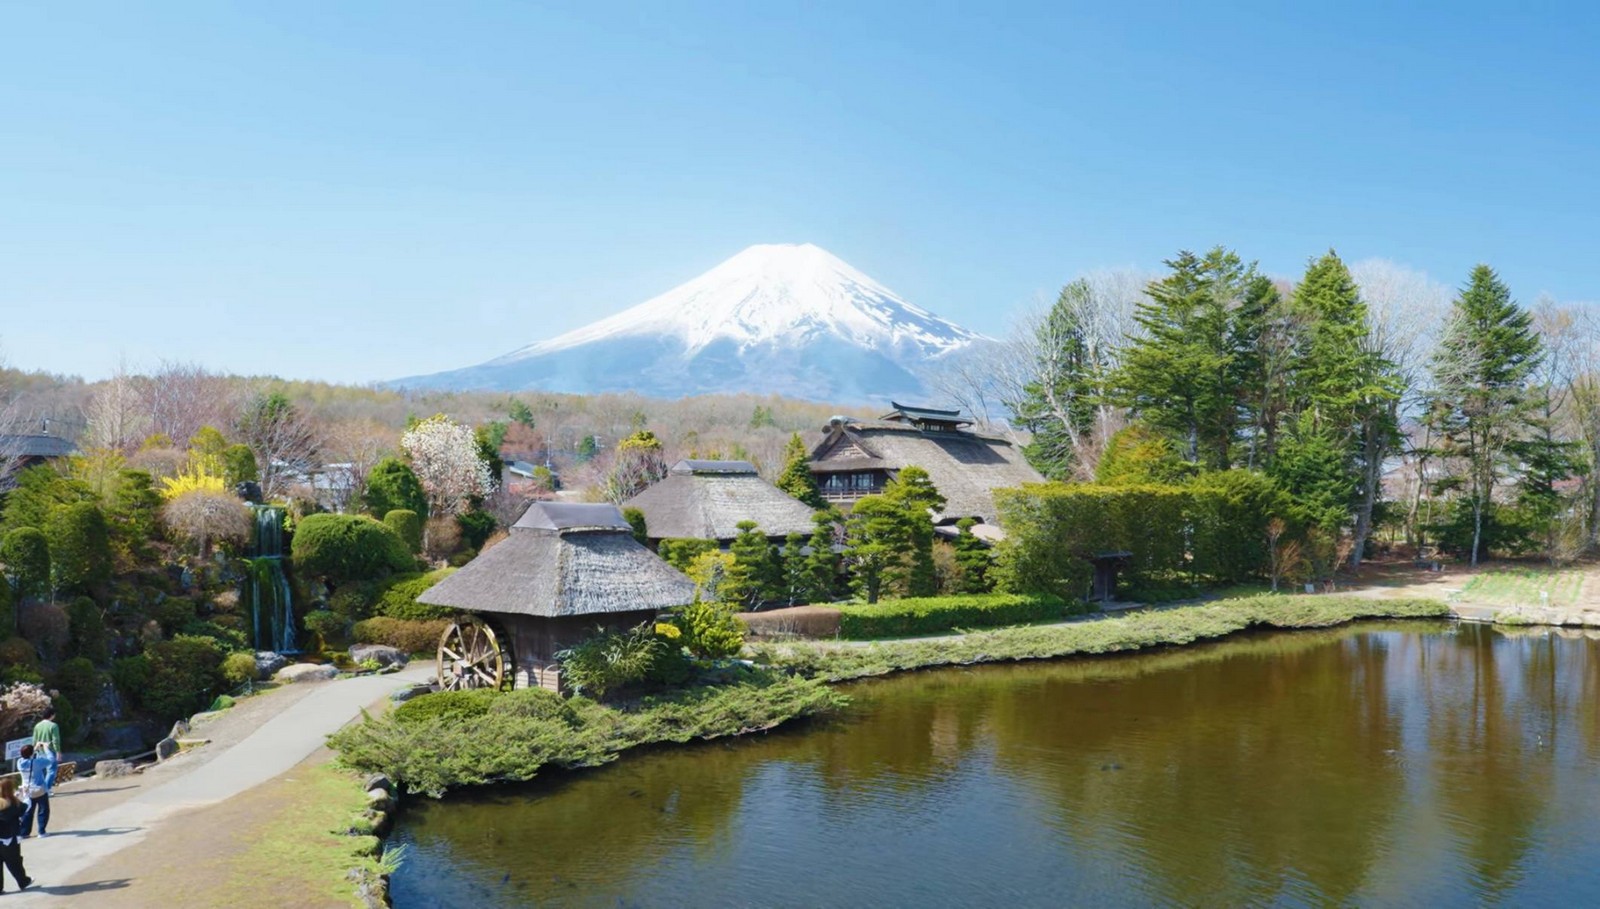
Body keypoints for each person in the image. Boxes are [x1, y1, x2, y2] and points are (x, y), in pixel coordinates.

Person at [17, 744, 56, 838]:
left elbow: (27, 755)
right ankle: (41, 832)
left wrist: (34, 749)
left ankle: (24, 833)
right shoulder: (37, 763)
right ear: (31, 753)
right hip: (39, 790)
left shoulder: (19, 762)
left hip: (27, 791)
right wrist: (46, 748)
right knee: (43, 810)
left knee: (28, 812)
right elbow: (51, 760)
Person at [0, 778, 31, 893]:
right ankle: (23, 881)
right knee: (15, 862)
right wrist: (26, 795)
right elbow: (26, 806)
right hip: (9, 839)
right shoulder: (13, 803)